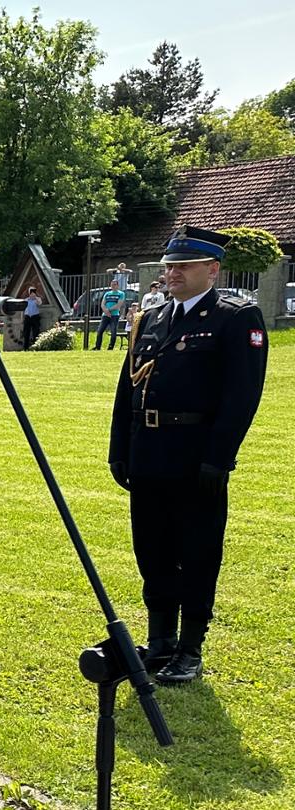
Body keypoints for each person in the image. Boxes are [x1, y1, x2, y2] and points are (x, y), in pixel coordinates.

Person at [109, 226, 267, 684]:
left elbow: (242, 396)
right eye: (168, 266)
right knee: (152, 549)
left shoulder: (235, 318)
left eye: (182, 266)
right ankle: (159, 641)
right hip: (149, 452)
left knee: (196, 551)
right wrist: (120, 449)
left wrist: (219, 458)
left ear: (212, 270)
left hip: (195, 455)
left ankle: (190, 647)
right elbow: (128, 390)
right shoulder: (152, 318)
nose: (171, 273)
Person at [94, 278, 127, 351]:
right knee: (100, 331)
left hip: (114, 315)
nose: (113, 286)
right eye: (112, 285)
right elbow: (102, 303)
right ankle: (97, 346)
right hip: (105, 315)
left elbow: (118, 305)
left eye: (115, 285)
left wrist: (108, 310)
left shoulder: (121, 294)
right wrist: (105, 311)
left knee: (113, 331)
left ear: (118, 285)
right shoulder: (107, 293)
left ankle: (110, 347)